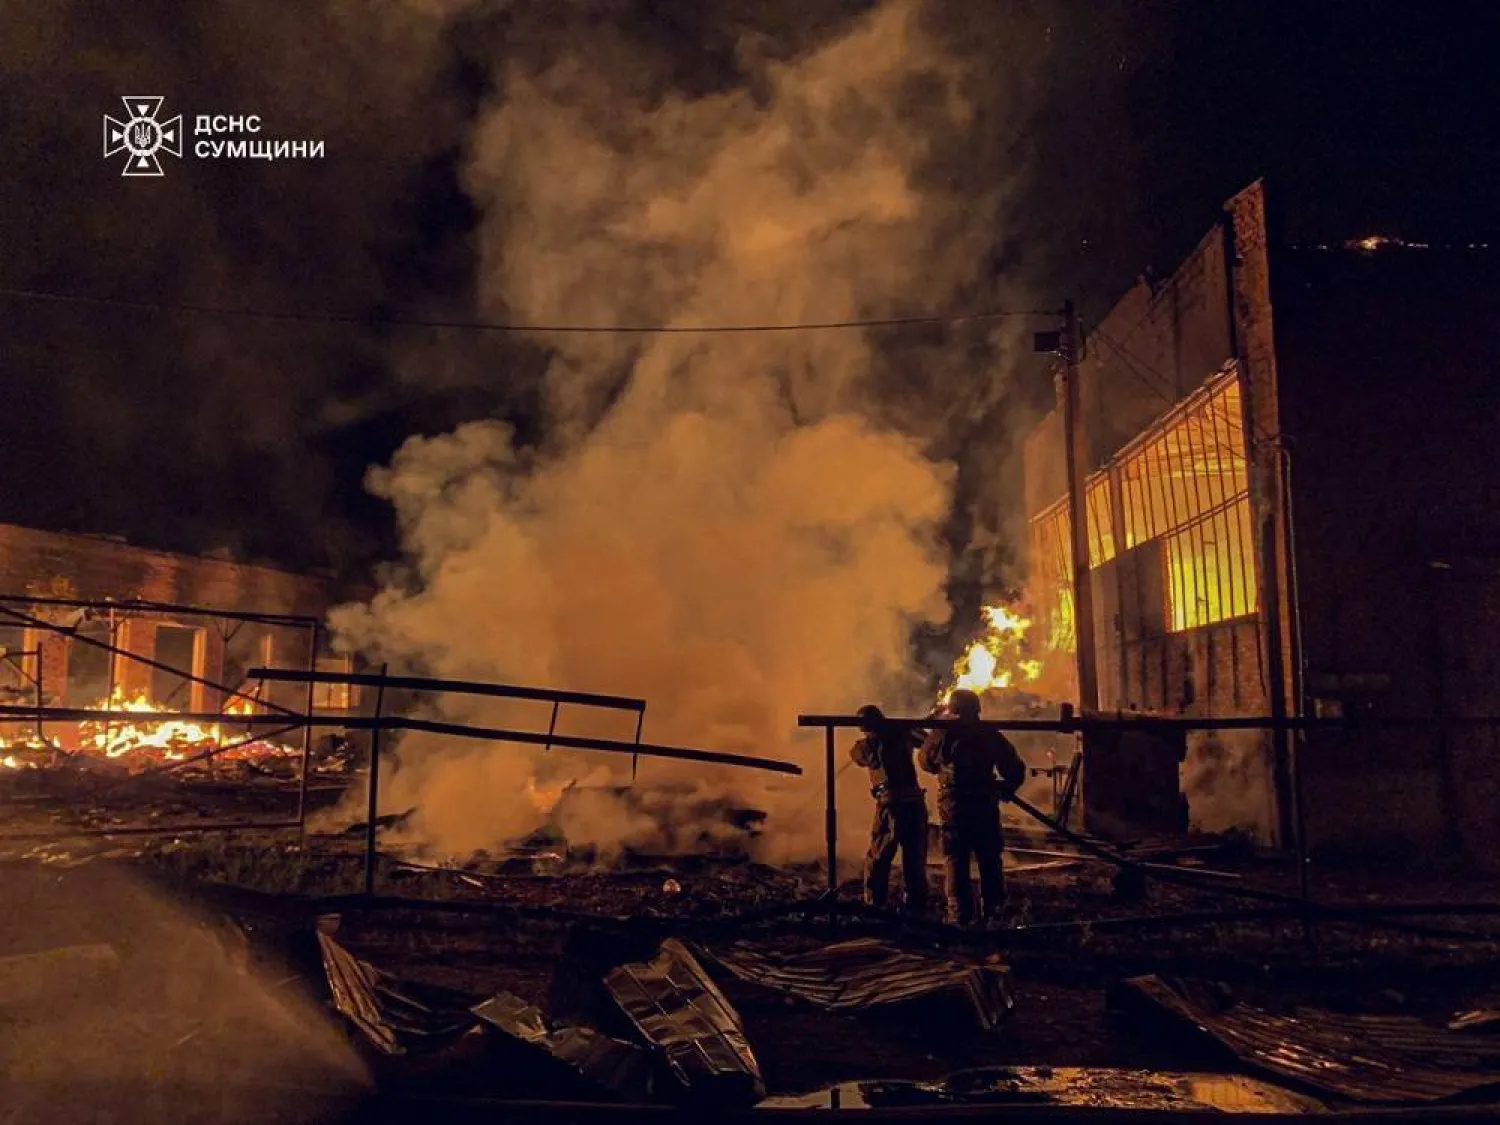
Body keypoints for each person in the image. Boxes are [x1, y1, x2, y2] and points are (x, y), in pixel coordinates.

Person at [918, 688, 1026, 926]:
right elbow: (1014, 766)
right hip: (984, 802)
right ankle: (995, 911)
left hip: (954, 804)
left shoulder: (943, 733)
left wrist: (934, 734)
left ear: (953, 709)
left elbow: (926, 762)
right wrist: (1008, 786)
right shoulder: (989, 734)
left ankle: (960, 915)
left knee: (956, 857)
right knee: (989, 856)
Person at [850, 704, 929, 915]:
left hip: (892, 803)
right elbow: (925, 742)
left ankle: (874, 906)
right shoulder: (898, 736)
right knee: (915, 857)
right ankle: (916, 907)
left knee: (879, 854)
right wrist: (905, 729)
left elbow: (859, 755)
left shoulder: (870, 744)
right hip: (913, 802)